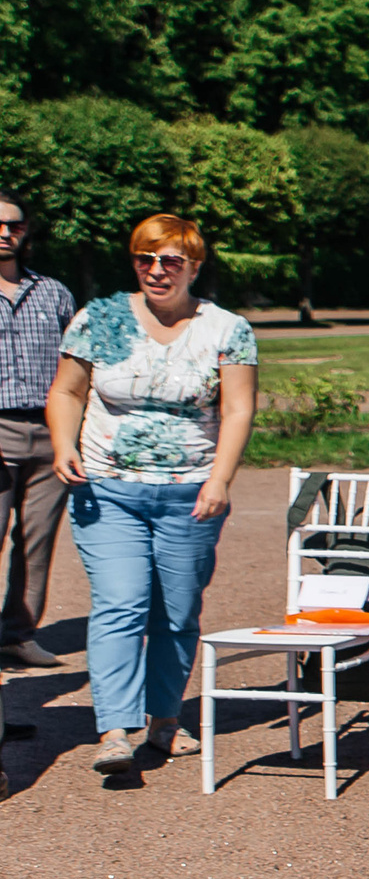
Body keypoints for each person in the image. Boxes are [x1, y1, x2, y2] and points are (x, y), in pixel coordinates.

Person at [45, 215, 257, 776]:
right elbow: (67, 390)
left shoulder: (226, 328)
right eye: (145, 259)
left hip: (191, 493)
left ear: (194, 265)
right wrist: (63, 443)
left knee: (177, 611)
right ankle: (115, 730)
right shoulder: (101, 318)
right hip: (107, 487)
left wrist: (220, 479)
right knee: (121, 602)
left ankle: (163, 719)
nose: (157, 271)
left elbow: (237, 408)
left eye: (170, 261)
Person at [0, 187, 76, 672]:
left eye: (14, 225)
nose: (5, 234)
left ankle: (17, 636)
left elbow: (77, 368)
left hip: (49, 430)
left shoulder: (53, 292)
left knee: (37, 541)